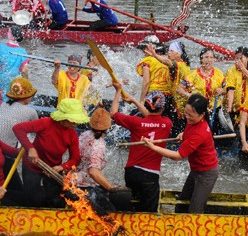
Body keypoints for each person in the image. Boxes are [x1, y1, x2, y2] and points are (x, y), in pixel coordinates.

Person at [143, 94, 219, 213]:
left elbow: (178, 156)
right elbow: (190, 131)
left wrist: (153, 147)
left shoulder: (200, 133)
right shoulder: (194, 122)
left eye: (190, 115)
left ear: (202, 115)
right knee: (182, 203)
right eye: (186, 112)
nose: (187, 117)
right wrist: (183, 135)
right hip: (195, 170)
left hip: (206, 174)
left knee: (195, 209)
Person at [111, 83, 172, 212]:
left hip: (132, 172)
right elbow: (151, 116)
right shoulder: (167, 123)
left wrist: (118, 91)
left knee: (133, 205)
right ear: (162, 109)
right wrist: (133, 100)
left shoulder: (136, 122)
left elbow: (114, 113)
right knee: (149, 212)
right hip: (150, 175)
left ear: (146, 105)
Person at [13, 98, 84, 208]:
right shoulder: (46, 123)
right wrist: (30, 148)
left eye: (76, 121)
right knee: (33, 199)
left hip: (53, 169)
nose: (75, 124)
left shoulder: (72, 134)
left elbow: (75, 158)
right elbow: (18, 128)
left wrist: (62, 167)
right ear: (63, 117)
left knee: (55, 200)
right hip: (33, 165)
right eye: (72, 121)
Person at [74, 108, 130, 214]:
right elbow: (93, 172)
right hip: (84, 187)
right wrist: (111, 188)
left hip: (74, 181)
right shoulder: (98, 144)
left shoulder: (84, 134)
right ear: (108, 127)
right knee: (112, 211)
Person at [144, 41, 190, 133]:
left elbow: (167, 61)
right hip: (175, 100)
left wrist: (155, 55)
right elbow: (165, 60)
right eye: (169, 51)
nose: (169, 53)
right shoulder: (182, 64)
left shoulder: (179, 65)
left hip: (177, 103)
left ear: (179, 54)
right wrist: (154, 55)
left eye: (172, 51)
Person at [177, 47, 226, 134]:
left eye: (211, 57)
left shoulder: (219, 74)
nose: (209, 60)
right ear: (201, 59)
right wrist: (190, 96)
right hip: (198, 110)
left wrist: (222, 90)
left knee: (212, 132)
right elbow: (179, 89)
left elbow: (227, 90)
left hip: (214, 109)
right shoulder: (193, 75)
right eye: (206, 57)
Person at [0, 26, 30, 104]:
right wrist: (27, 86)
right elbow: (24, 71)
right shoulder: (22, 52)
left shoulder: (0, 46)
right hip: (9, 85)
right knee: (6, 105)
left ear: (9, 35)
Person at [225, 46, 248, 126]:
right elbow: (231, 89)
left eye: (241, 58)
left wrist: (243, 69)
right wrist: (229, 107)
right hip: (235, 107)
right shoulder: (231, 70)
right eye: (236, 58)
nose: (238, 61)